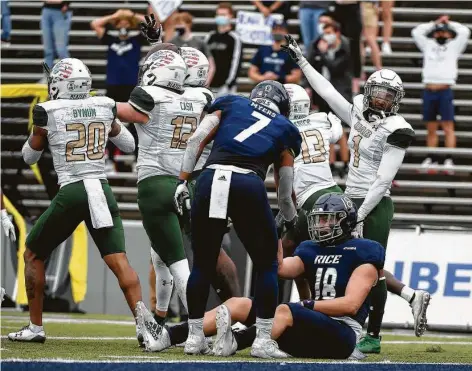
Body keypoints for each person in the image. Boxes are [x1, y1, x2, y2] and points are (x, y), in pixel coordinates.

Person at [282, 35, 431, 353]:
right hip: (350, 200)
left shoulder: (398, 128)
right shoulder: (361, 118)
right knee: (359, 266)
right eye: (375, 93)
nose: (378, 100)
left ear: (396, 99)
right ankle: (407, 298)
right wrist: (302, 61)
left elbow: (383, 181)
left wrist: (358, 214)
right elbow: (327, 91)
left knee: (369, 267)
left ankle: (373, 335)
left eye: (386, 95)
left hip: (373, 204)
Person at [7, 58, 156, 344]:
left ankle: (35, 327)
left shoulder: (47, 110)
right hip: (100, 188)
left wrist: (39, 133)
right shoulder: (104, 104)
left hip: (73, 190)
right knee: (119, 261)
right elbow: (128, 145)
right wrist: (106, 124)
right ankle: (144, 328)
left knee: (33, 254)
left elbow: (29, 157)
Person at [137, 193, 384, 360]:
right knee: (239, 304)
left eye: (326, 220)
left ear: (345, 222)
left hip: (342, 336)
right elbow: (279, 267)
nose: (320, 225)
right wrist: (274, 233)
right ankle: (167, 335)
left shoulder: (363, 252)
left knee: (285, 310)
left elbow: (351, 305)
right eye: (318, 219)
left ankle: (235, 341)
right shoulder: (311, 249)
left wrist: (307, 305)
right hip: (309, 326)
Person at [155, 81, 301, 358]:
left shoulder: (232, 102)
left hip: (212, 178)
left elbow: (196, 139)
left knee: (203, 263)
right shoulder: (286, 128)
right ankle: (262, 340)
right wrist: (290, 219)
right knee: (267, 264)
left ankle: (195, 337)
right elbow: (284, 190)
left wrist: (182, 181)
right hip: (248, 182)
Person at [280, 83, 344, 299]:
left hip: (310, 199)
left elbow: (284, 187)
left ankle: (309, 303)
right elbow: (336, 131)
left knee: (303, 256)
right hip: (335, 192)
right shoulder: (321, 120)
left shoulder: (280, 129)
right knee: (290, 246)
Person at [412, 16, 470, 174]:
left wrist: (449, 23)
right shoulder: (428, 45)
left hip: (445, 90)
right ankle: (432, 159)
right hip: (429, 90)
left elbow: (464, 31)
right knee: (431, 127)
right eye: (438, 33)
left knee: (447, 126)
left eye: (445, 33)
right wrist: (435, 23)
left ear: (450, 34)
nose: (441, 35)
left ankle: (449, 160)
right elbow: (416, 32)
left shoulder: (454, 46)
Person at [91, 9, 146, 172]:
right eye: (120, 23)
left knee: (136, 125)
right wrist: (116, 15)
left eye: (126, 23)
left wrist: (131, 15)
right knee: (110, 123)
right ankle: (109, 160)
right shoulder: (110, 38)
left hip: (131, 86)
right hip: (113, 86)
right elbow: (95, 24)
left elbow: (154, 25)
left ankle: (138, 160)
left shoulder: (137, 39)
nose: (123, 25)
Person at [306, 21, 351, 178]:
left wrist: (323, 54)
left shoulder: (344, 50)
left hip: (339, 96)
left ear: (337, 33)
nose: (327, 36)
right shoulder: (319, 48)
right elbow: (309, 65)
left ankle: (345, 164)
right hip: (323, 96)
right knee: (327, 131)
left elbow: (335, 68)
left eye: (330, 32)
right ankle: (331, 164)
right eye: (325, 33)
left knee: (342, 132)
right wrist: (317, 50)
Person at [205, 2, 242, 98]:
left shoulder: (234, 38)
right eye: (218, 14)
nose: (220, 17)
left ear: (231, 16)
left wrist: (229, 84)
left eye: (223, 14)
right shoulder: (210, 36)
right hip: (209, 85)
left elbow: (236, 62)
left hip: (226, 87)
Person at [168, 12, 216, 85]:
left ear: (188, 24)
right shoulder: (171, 43)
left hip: (195, 82)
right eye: (176, 24)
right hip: (177, 82)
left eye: (180, 24)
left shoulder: (199, 43)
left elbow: (211, 65)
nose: (177, 27)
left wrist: (206, 83)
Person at [248, 20, 301, 84]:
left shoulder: (292, 52)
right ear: (272, 32)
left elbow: (297, 76)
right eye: (275, 29)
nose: (277, 32)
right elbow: (252, 72)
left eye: (281, 30)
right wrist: (263, 78)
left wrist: (277, 78)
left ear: (286, 33)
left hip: (283, 89)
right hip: (263, 87)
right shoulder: (263, 50)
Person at [332, 1, 362, 95]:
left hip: (352, 8)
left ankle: (355, 81)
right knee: (337, 45)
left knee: (354, 47)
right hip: (338, 8)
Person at [41, 1, 72, 70]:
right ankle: (47, 77)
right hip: (46, 10)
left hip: (61, 10)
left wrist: (66, 3)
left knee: (61, 50)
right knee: (48, 51)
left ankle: (68, 76)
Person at [362, 1, 382, 70]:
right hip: (371, 7)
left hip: (364, 6)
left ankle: (359, 72)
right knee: (371, 39)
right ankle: (378, 68)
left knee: (366, 39)